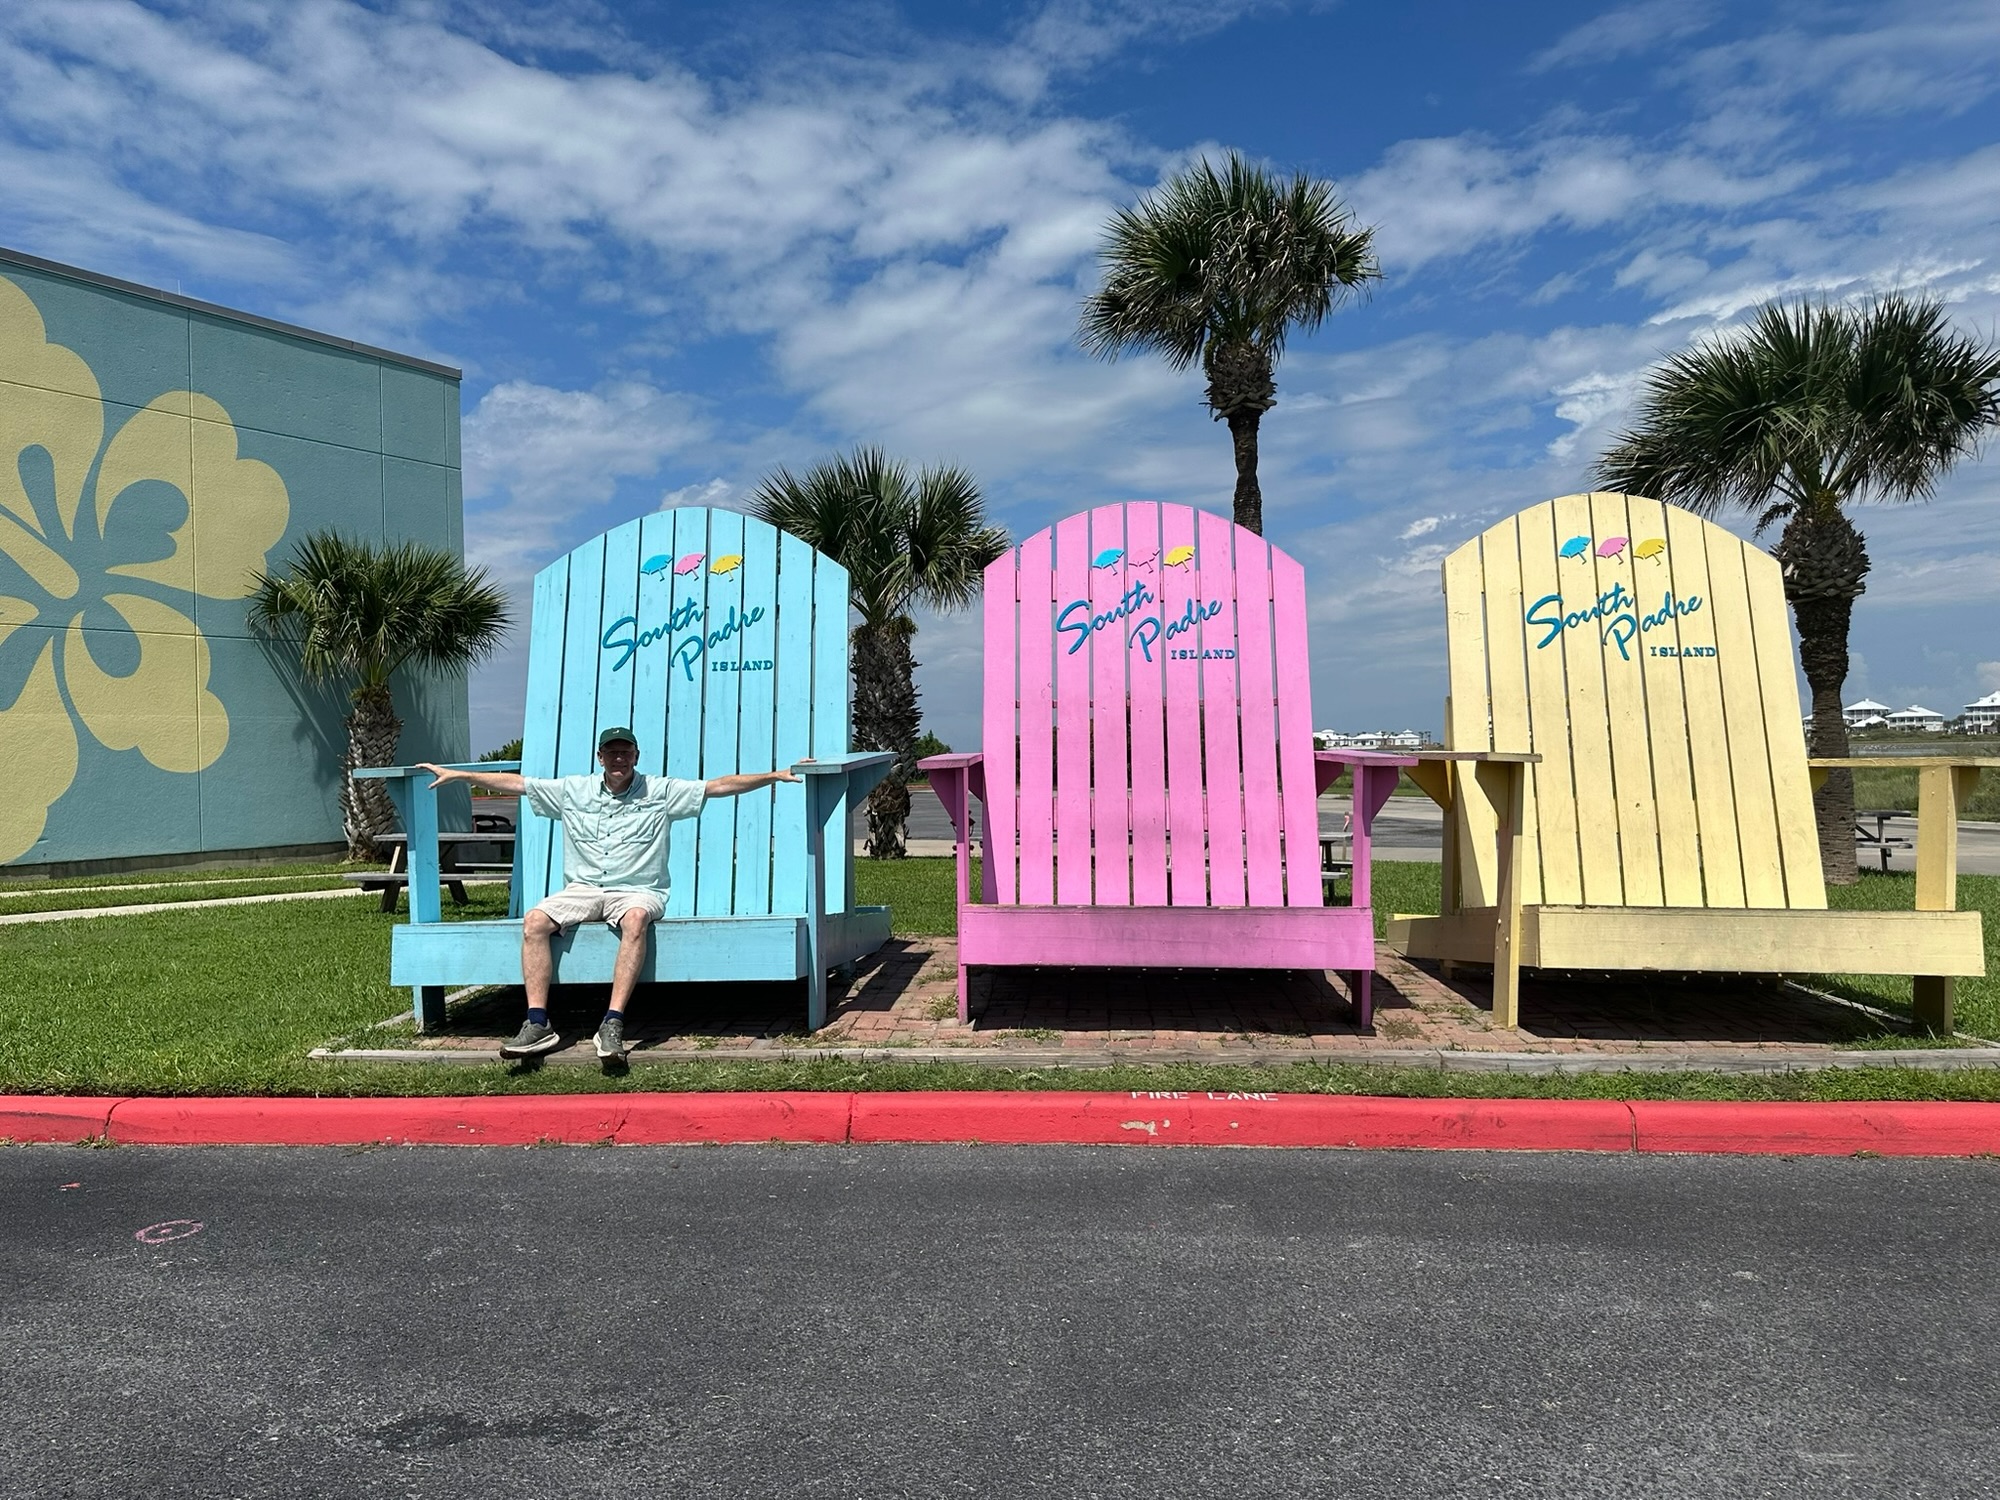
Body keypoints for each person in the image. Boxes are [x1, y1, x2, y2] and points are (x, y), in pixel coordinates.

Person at [417, 728, 801, 1060]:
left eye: (626, 751)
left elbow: (716, 787)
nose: (619, 758)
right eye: (612, 752)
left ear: (636, 756)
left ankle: (612, 1023)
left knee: (636, 919)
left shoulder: (660, 791)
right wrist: (460, 775)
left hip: (637, 890)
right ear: (600, 757)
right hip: (583, 890)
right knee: (534, 921)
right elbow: (520, 785)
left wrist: (774, 776)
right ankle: (537, 1024)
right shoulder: (573, 790)